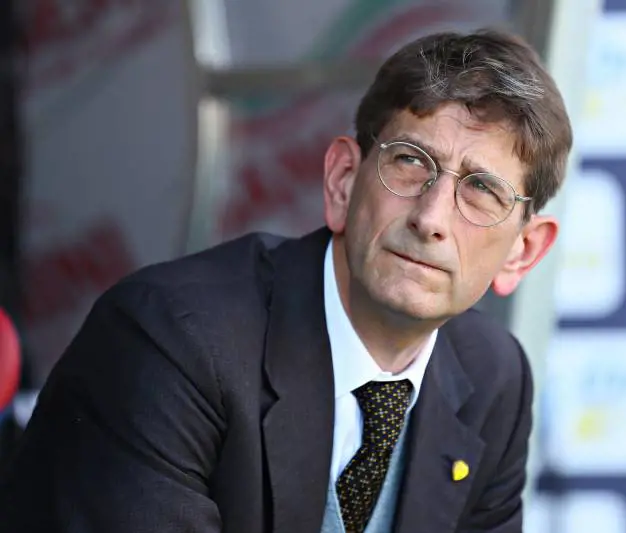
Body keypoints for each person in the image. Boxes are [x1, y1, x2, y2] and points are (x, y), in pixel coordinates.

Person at [0, 28, 571, 533]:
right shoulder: (171, 341)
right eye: (410, 161)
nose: (431, 218)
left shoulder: (493, 378)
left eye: (481, 190)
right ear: (343, 182)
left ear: (522, 252)